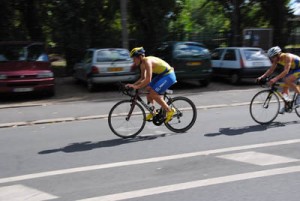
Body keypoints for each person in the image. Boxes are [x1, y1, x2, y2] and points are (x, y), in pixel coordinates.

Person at [126, 47, 177, 122]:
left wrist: (136, 86)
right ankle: (153, 112)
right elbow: (142, 78)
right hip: (162, 75)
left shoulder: (147, 61)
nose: (133, 61)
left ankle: (169, 110)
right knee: (148, 88)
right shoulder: (142, 64)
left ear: (140, 57)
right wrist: (132, 84)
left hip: (169, 75)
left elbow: (148, 79)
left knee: (153, 93)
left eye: (134, 58)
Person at [257, 46, 300, 113]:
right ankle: (287, 106)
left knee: (287, 80)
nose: (272, 59)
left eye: (273, 57)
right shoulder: (277, 59)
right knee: (284, 88)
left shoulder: (287, 57)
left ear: (278, 55)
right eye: (271, 58)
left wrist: (275, 79)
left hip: (298, 68)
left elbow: (286, 71)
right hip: (294, 69)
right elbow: (271, 69)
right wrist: (262, 77)